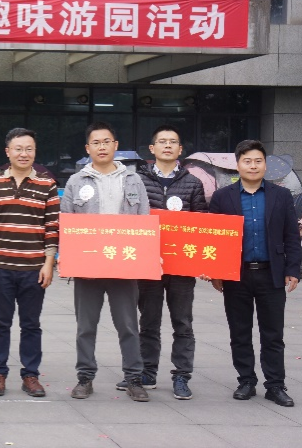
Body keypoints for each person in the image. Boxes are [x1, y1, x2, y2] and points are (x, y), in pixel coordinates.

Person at [61, 121, 151, 402]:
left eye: (106, 142)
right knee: (86, 326)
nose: (102, 147)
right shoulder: (76, 181)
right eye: (96, 143)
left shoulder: (133, 180)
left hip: (124, 264)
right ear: (87, 148)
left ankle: (134, 378)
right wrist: (67, 259)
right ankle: (85, 377)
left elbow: (144, 221)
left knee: (128, 325)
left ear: (115, 145)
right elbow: (66, 224)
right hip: (88, 266)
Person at [115, 125, 207, 400]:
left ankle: (181, 376)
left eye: (173, 142)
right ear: (152, 148)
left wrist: (203, 263)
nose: (168, 146)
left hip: (182, 266)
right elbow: (128, 218)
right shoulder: (136, 181)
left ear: (180, 149)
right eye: (162, 142)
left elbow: (202, 224)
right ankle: (147, 372)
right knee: (149, 321)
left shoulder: (193, 183)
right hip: (148, 264)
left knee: (183, 323)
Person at [208, 139, 301, 407]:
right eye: (247, 161)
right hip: (236, 275)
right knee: (240, 332)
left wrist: (292, 269)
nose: (253, 166)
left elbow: (291, 235)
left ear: (265, 165)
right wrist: (215, 271)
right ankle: (246, 381)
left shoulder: (281, 196)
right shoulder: (222, 197)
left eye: (258, 161)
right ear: (237, 165)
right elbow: (214, 238)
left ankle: (275, 385)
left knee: (273, 334)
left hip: (272, 274)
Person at [0, 128, 59, 398]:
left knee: (31, 324)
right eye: (18, 149)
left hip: (33, 268)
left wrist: (49, 263)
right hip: (0, 266)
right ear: (8, 152)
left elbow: (52, 227)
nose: (23, 154)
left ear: (35, 152)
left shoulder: (47, 184)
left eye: (29, 149)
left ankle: (30, 375)